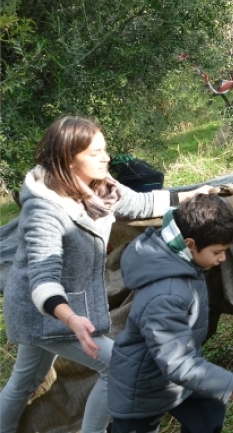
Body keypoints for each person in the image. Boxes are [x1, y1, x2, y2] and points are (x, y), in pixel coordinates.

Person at [0, 116, 211, 433]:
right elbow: (43, 277)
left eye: (105, 149)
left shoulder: (100, 188)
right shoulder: (44, 209)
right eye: (95, 152)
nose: (106, 158)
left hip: (65, 307)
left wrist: (191, 195)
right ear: (69, 159)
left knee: (25, 381)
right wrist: (71, 319)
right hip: (45, 312)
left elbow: (139, 203)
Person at [108, 193, 233, 433]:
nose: (222, 258)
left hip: (175, 378)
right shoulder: (166, 295)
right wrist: (229, 385)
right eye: (217, 252)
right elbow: (176, 360)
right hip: (143, 387)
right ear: (189, 244)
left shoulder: (180, 259)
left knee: (208, 412)